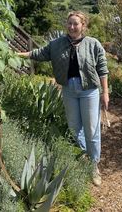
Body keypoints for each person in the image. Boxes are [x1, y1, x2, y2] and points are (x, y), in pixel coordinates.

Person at [17, 11, 109, 186]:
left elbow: (103, 69)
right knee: (75, 128)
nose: (72, 27)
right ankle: (84, 156)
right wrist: (19, 55)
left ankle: (94, 165)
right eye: (69, 23)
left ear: (83, 25)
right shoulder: (57, 44)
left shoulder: (93, 44)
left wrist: (105, 92)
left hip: (89, 90)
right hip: (68, 89)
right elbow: (39, 53)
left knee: (92, 129)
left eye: (76, 24)